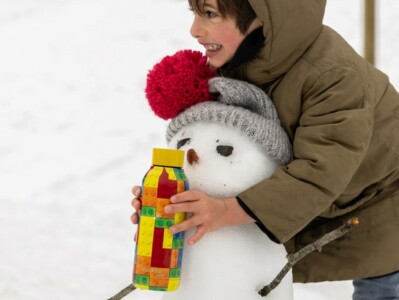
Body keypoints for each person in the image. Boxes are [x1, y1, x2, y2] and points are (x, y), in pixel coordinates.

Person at [131, 0, 399, 298]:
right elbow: (228, 154)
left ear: (263, 16)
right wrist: (177, 198)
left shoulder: (333, 77)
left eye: (209, 14)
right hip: (312, 204)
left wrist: (225, 210)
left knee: (382, 285)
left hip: (381, 200)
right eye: (193, 13)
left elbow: (319, 172)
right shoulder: (238, 64)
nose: (194, 30)